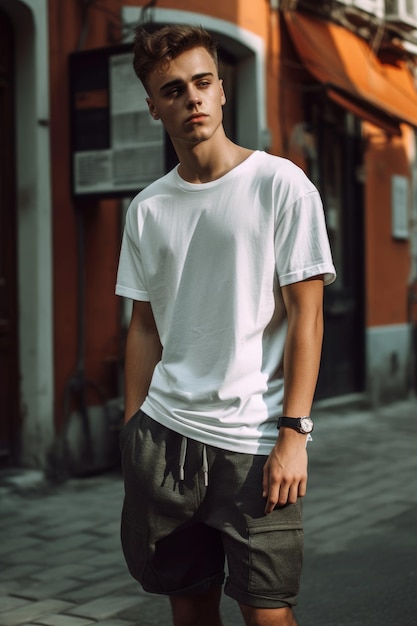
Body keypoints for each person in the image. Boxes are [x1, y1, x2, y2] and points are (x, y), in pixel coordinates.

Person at [116, 24, 336, 626]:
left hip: (255, 441)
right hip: (164, 439)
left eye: (203, 82)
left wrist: (295, 432)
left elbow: (307, 318)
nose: (192, 98)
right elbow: (143, 325)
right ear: (154, 104)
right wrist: (132, 425)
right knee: (189, 610)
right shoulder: (148, 209)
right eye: (174, 89)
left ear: (221, 89)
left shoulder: (281, 185)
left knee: (268, 614)